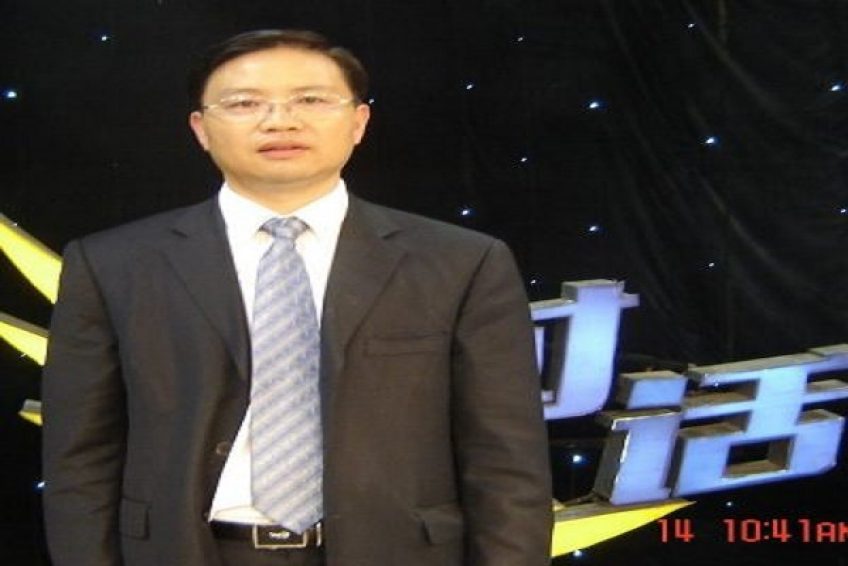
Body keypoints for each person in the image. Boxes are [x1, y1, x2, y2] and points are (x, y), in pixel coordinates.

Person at [41, 29, 552, 566]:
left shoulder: (462, 262)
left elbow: (505, 460)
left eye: (310, 100)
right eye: (245, 103)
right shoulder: (112, 264)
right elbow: (81, 457)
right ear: (201, 129)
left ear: (359, 122)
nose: (280, 121)